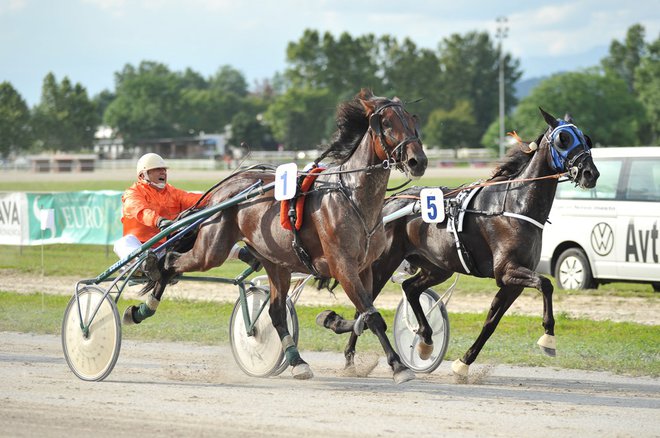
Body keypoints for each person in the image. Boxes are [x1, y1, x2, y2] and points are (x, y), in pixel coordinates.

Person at [115, 152, 260, 281]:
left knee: (205, 233)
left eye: (164, 169)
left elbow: (194, 200)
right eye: (157, 170)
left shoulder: (171, 192)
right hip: (140, 249)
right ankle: (144, 264)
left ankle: (243, 254)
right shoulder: (132, 193)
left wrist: (224, 195)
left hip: (166, 249)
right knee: (123, 242)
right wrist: (159, 221)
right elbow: (141, 211)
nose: (163, 173)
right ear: (143, 175)